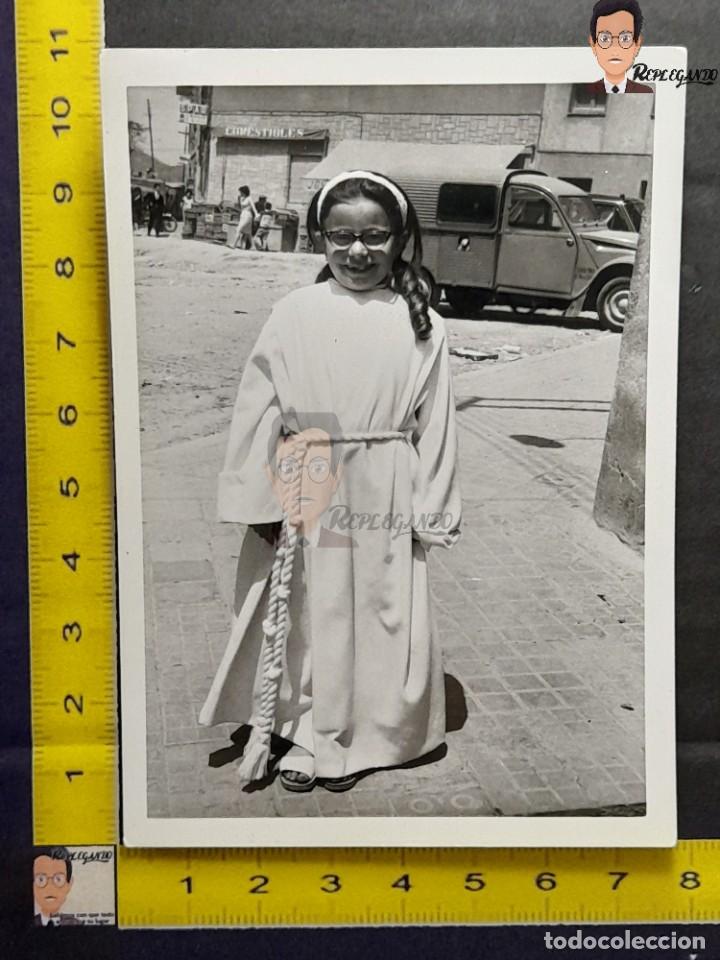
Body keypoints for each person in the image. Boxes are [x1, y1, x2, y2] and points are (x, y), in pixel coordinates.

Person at [199, 170, 462, 794]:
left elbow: (439, 423)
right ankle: (308, 730)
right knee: (310, 610)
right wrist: (257, 499)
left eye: (374, 235)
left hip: (385, 480)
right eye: (341, 237)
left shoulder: (422, 322)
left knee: (378, 607)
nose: (358, 251)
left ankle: (370, 736)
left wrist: (431, 510)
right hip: (309, 467)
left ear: (400, 238)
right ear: (321, 238)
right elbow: (258, 406)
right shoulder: (294, 311)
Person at [587, 0, 652, 93]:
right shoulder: (586, 89)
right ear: (593, 44)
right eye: (605, 39)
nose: (615, 50)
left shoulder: (645, 91)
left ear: (637, 45)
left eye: (625, 39)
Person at [33, 847, 82, 926]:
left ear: (69, 884)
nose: (50, 888)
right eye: (41, 879)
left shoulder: (77, 924)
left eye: (58, 879)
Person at [233, 185, 258, 250]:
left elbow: (253, 207)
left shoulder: (249, 198)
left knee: (239, 229)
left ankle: (234, 245)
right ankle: (253, 247)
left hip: (248, 215)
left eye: (241, 192)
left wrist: (256, 214)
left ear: (244, 192)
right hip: (243, 215)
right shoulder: (241, 198)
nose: (240, 193)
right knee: (248, 233)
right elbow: (241, 208)